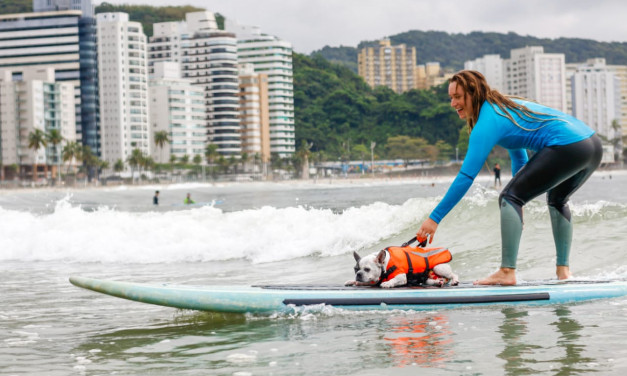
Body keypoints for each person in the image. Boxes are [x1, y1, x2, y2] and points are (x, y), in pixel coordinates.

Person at [416, 70, 602, 286]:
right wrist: (520, 201)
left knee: (508, 197)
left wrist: (434, 219)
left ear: (473, 93)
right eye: (451, 98)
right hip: (592, 145)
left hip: (568, 145)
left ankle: (507, 272)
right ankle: (563, 271)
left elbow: (466, 176)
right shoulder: (504, 107)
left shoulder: (486, 122)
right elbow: (519, 156)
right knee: (556, 200)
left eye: (458, 97)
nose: (453, 103)